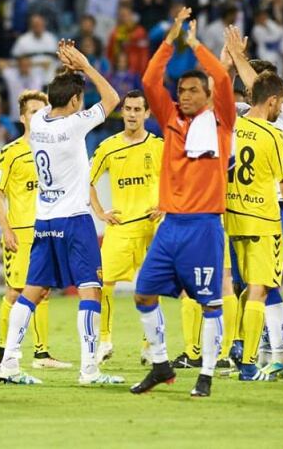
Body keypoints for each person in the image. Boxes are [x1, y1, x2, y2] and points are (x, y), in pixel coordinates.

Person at [0, 40, 124, 386]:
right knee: (90, 290)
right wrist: (86, 66)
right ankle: (89, 370)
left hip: (44, 220)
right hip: (75, 220)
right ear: (77, 101)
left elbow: (59, 100)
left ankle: (8, 362)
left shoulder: (37, 121)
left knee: (32, 291)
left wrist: (68, 75)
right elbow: (113, 100)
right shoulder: (74, 125)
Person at [130, 7, 235, 398]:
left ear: (208, 96)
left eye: (193, 90)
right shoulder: (170, 118)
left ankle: (206, 373)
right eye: (182, 90)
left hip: (205, 226)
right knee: (143, 294)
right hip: (170, 226)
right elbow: (148, 78)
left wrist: (194, 44)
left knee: (209, 303)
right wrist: (170, 40)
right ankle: (160, 364)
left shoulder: (222, 121)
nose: (185, 95)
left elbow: (223, 77)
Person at [221, 31, 283, 376]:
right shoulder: (244, 112)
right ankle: (280, 347)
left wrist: (238, 58)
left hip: (270, 207)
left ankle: (278, 352)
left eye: (249, 89)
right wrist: (226, 64)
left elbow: (255, 92)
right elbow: (222, 99)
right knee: (247, 285)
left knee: (262, 285)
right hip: (240, 208)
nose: (245, 95)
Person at [0, 90, 71, 371]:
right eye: (33, 112)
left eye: (43, 111)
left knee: (43, 290)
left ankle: (41, 354)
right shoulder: (10, 152)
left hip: (47, 229)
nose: (39, 116)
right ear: (23, 117)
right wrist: (7, 229)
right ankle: (2, 353)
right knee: (15, 291)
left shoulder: (53, 149)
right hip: (21, 231)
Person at [88, 90, 163, 364]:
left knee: (151, 285)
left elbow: (176, 181)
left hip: (151, 228)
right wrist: (99, 211)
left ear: (147, 113)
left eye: (136, 109)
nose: (131, 114)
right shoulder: (108, 146)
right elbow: (87, 181)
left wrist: (165, 205)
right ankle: (105, 341)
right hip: (119, 227)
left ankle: (150, 345)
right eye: (127, 109)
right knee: (104, 283)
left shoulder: (158, 146)